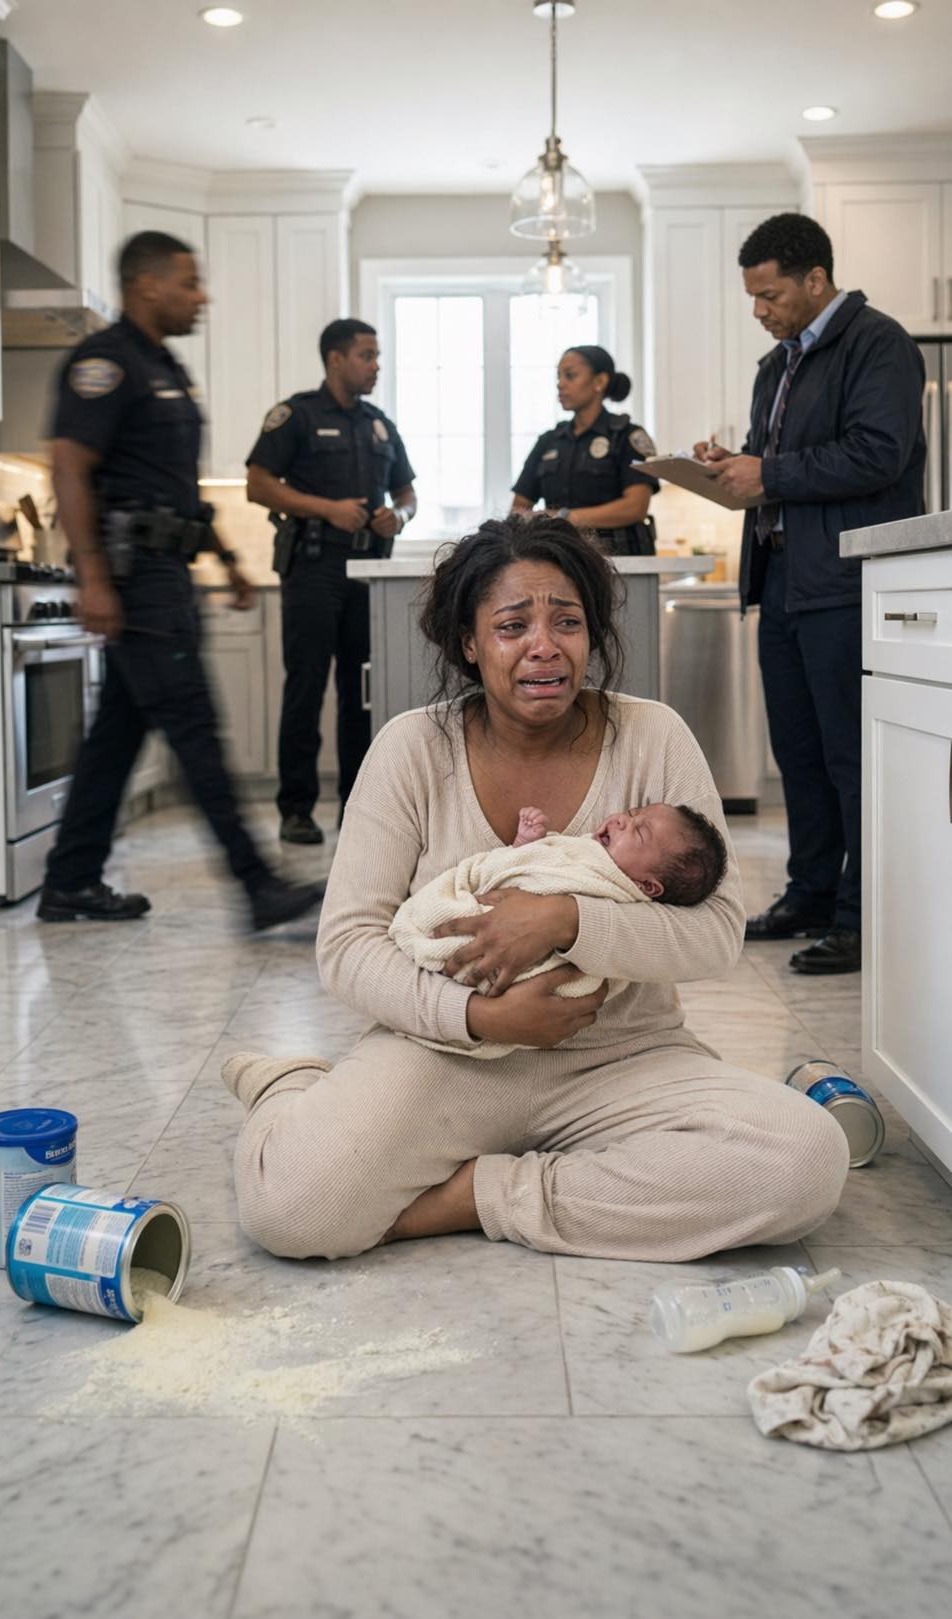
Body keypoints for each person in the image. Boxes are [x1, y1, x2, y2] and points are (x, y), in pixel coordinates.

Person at [222, 512, 849, 1264]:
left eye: (567, 622)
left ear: (592, 634)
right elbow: (348, 945)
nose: (544, 646)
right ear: (469, 641)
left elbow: (716, 933)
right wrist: (479, 1016)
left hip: (621, 1059)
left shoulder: (653, 737)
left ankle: (475, 1196)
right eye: (512, 625)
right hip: (445, 1057)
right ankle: (290, 1086)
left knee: (804, 1159)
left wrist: (564, 919)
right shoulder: (410, 749)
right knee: (290, 1209)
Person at [38, 230, 325, 932]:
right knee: (195, 726)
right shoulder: (105, 362)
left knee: (115, 736)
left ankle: (70, 880)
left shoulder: (162, 366)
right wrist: (91, 575)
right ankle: (256, 884)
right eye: (189, 283)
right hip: (136, 578)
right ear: (148, 285)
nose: (202, 297)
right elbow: (69, 465)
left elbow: (175, 487)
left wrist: (223, 556)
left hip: (166, 569)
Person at [694, 213, 925, 975]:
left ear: (816, 279)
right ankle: (812, 894)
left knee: (850, 758)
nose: (759, 311)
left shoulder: (878, 343)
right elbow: (781, 464)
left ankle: (863, 917)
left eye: (769, 295)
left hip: (848, 582)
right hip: (783, 579)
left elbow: (879, 453)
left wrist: (768, 472)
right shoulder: (777, 365)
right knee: (798, 755)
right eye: (753, 298)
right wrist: (733, 464)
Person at [245, 320, 417, 846]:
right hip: (314, 567)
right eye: (367, 355)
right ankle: (296, 810)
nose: (376, 365)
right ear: (335, 359)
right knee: (306, 686)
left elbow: (407, 495)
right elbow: (258, 485)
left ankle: (357, 809)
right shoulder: (296, 415)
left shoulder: (380, 425)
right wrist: (327, 509)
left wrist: (398, 517)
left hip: (369, 573)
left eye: (377, 356)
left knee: (362, 693)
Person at [388, 799, 728, 1059]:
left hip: (608, 1049)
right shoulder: (583, 850)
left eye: (639, 832)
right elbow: (533, 865)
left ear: (648, 886)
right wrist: (526, 846)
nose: (623, 820)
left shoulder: (614, 889)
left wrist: (564, 918)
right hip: (461, 1008)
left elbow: (548, 883)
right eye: (632, 812)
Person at [511, 345, 659, 554]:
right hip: (559, 558)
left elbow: (635, 507)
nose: (560, 384)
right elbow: (519, 508)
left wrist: (565, 518)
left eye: (570, 376)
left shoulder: (627, 437)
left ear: (600, 381)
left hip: (618, 560)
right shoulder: (549, 441)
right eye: (558, 377)